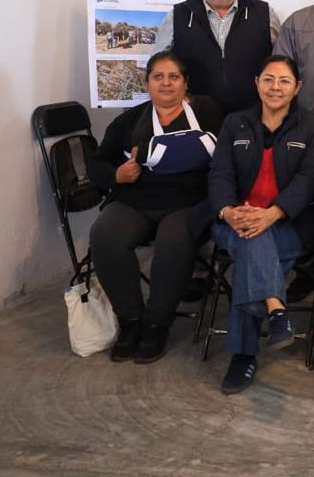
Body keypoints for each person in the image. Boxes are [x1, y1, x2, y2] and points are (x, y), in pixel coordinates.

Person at [86, 51, 224, 363]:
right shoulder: (128, 121)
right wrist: (117, 175)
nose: (166, 83)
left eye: (173, 76)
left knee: (175, 239)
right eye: (158, 77)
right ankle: (130, 321)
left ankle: (156, 324)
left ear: (185, 83)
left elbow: (228, 156)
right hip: (136, 200)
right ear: (146, 82)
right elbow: (97, 164)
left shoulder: (207, 111)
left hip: (189, 201)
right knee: (105, 234)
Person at [208, 55, 314, 394]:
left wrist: (272, 214)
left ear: (297, 87)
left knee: (254, 247)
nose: (276, 87)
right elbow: (220, 173)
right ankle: (275, 309)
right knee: (254, 240)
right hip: (235, 221)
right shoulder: (235, 123)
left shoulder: (313, 126)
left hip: (290, 223)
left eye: (284, 81)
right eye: (268, 79)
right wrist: (229, 211)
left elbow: (309, 180)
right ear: (256, 83)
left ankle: (244, 355)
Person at [153, 0, 281, 113]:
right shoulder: (177, 17)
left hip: (253, 118)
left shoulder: (264, 13)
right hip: (195, 117)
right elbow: (157, 68)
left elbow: (281, 67)